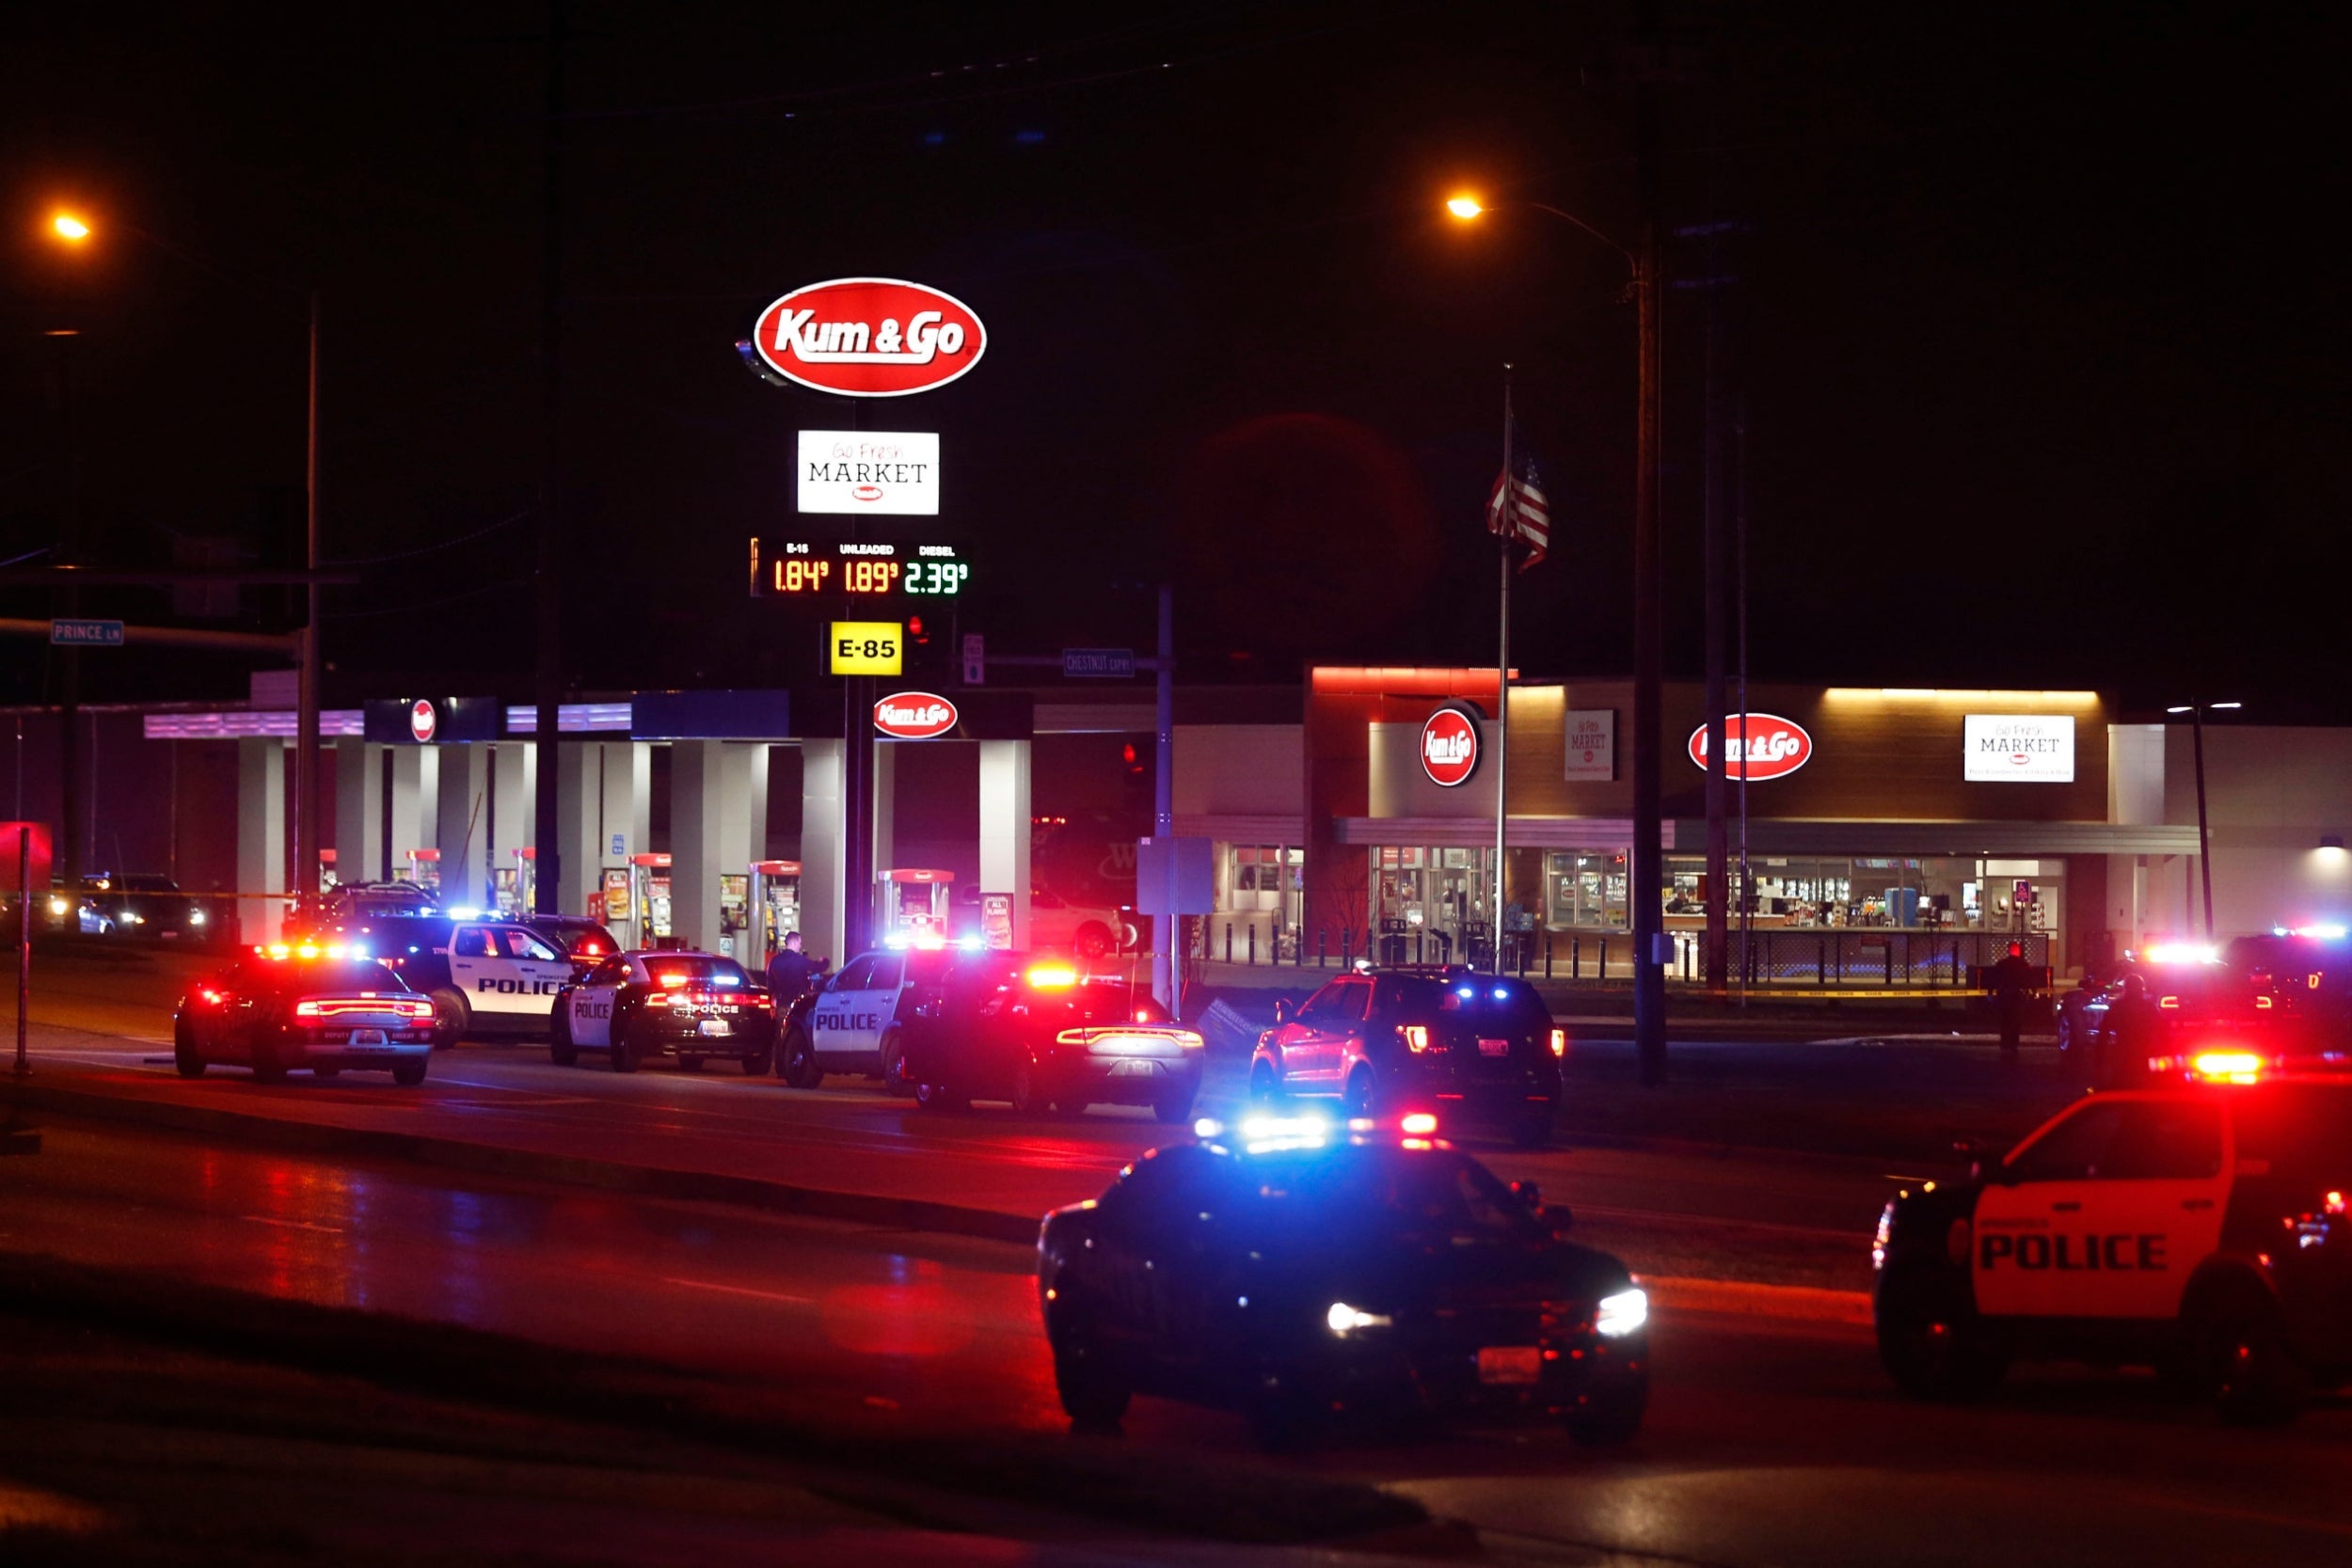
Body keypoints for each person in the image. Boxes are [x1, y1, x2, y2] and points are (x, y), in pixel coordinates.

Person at [1988, 941, 2041, 1066]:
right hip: (2018, 998)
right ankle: (2013, 1045)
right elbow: (2030, 980)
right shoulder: (2024, 965)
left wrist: (1990, 993)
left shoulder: (2002, 964)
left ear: (2009, 951)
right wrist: (2035, 992)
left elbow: (1993, 979)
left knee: (2005, 1020)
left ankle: (2004, 1043)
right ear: (2018, 951)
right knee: (2016, 1021)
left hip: (2004, 996)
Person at [765, 930, 818, 1001]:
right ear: (794, 943)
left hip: (779, 1001)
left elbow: (769, 981)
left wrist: (771, 998)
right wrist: (824, 961)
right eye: (800, 943)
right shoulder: (800, 960)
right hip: (797, 1001)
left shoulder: (774, 960)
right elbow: (816, 967)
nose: (800, 946)